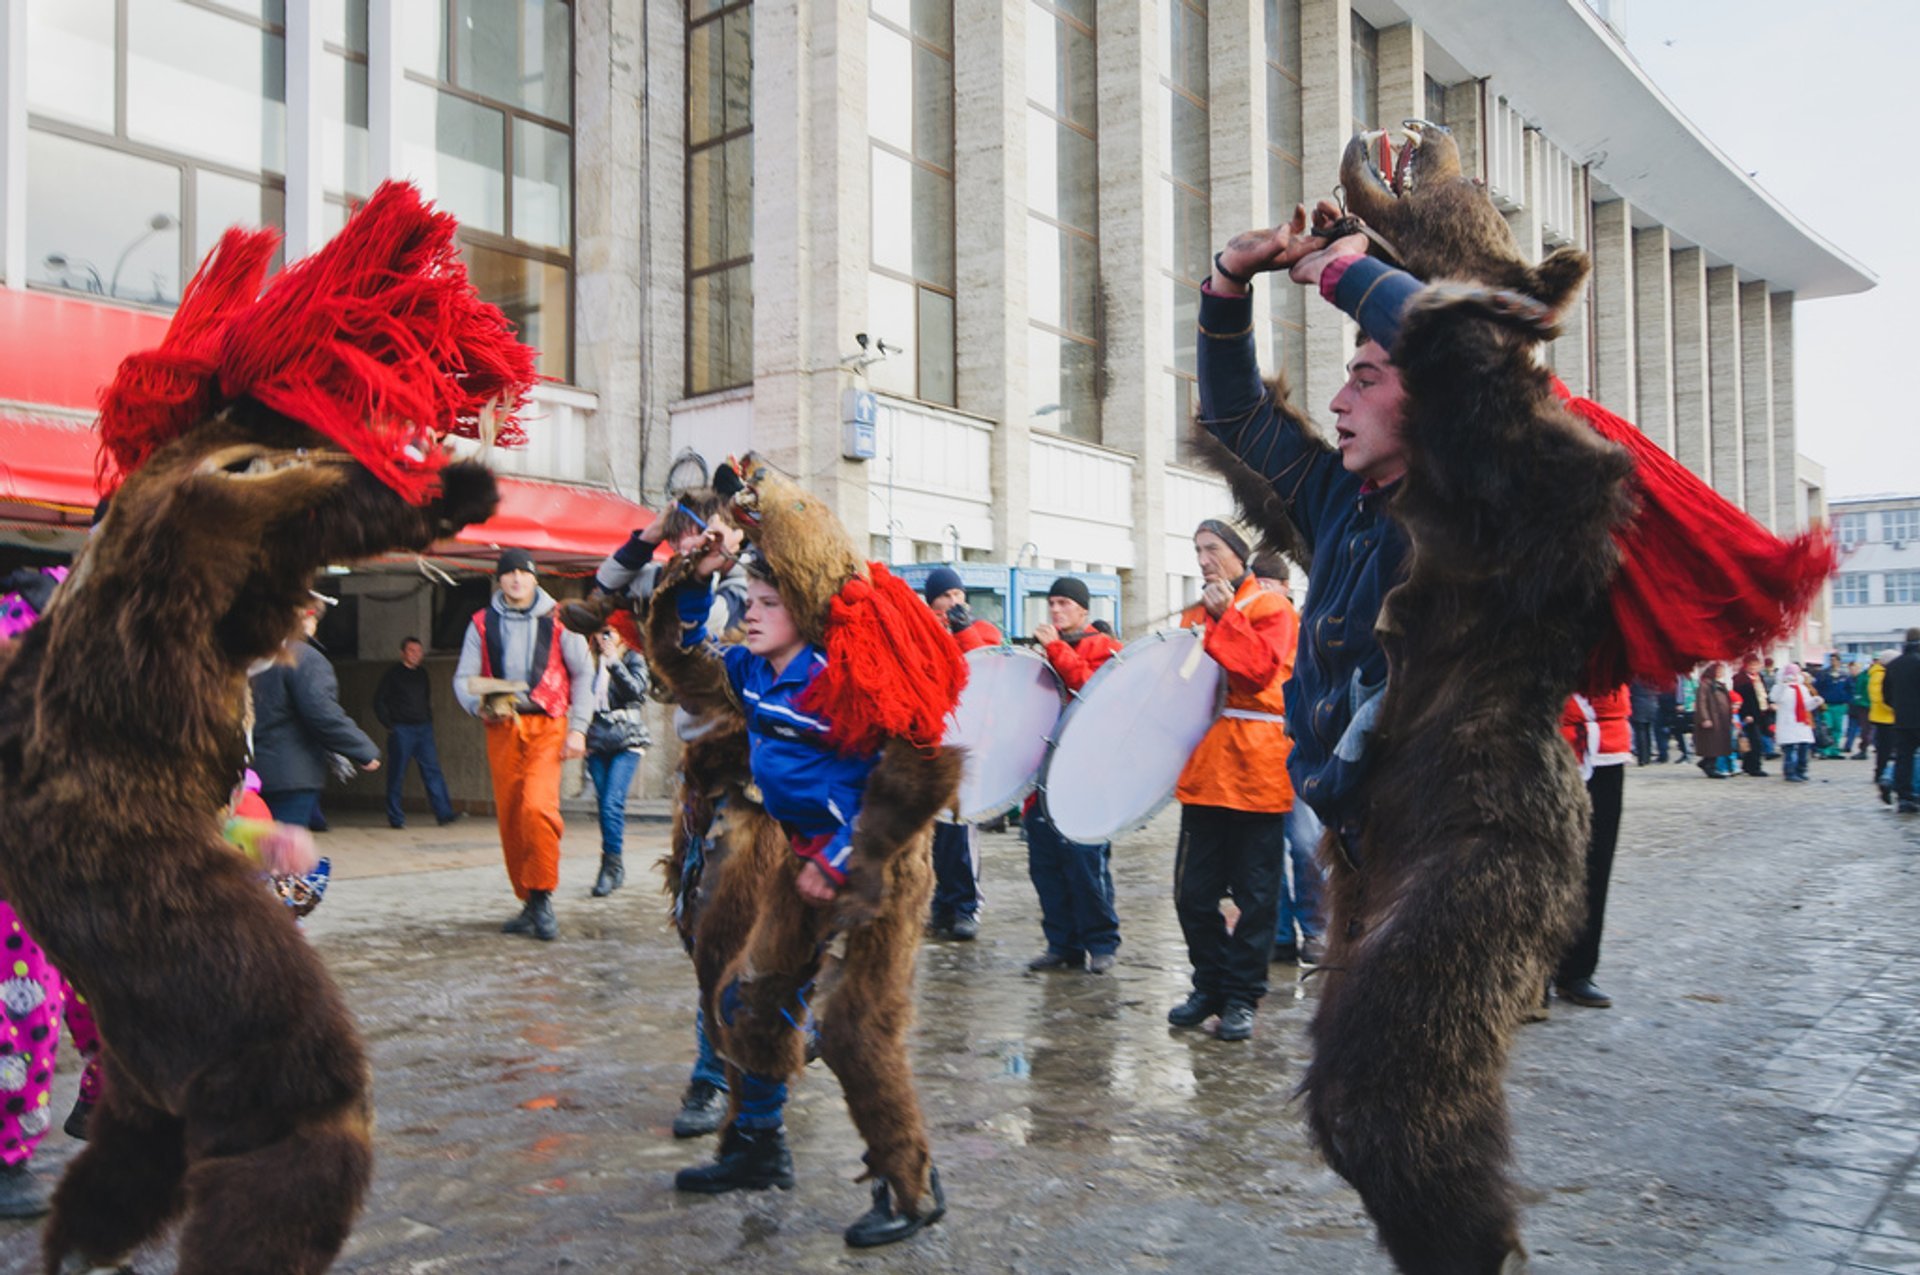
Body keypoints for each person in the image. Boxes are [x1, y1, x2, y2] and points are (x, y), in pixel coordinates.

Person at [1167, 521, 1298, 1042]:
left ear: (1238, 555)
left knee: (1256, 897)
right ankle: (1210, 985)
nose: (1203, 560)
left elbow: (1258, 671)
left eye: (1213, 549)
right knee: (1191, 895)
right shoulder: (1193, 614)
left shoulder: (1273, 609)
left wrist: (1225, 618)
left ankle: (1242, 996)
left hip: (1258, 772)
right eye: (1197, 550)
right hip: (1204, 772)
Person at [454, 549, 593, 941]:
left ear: (535, 578)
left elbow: (584, 673)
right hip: (501, 727)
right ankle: (529, 900)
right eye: (508, 573)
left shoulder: (561, 621)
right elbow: (463, 677)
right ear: (499, 580)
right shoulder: (480, 623)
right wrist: (475, 705)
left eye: (523, 572)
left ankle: (544, 896)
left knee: (537, 808)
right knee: (513, 816)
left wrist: (579, 729)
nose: (516, 579)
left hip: (548, 723)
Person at [1024, 576, 1124, 973]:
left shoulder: (1107, 649)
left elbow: (1091, 692)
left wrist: (1055, 648)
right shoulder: (1044, 653)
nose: (1055, 610)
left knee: (1086, 862)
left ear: (1083, 609)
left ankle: (1101, 942)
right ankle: (1061, 942)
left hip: (1088, 776)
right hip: (1044, 778)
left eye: (1064, 603)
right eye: (1051, 603)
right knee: (1045, 864)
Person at [1251, 553, 1325, 966]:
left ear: (1285, 588)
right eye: (1255, 583)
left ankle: (1316, 929)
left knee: (1305, 842)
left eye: (1268, 584)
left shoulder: (1304, 626)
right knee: (1265, 850)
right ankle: (1278, 932)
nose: (1260, 592)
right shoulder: (1245, 622)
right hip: (1256, 754)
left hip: (1298, 749)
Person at [250, 602, 380, 828]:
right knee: (284, 855)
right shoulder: (306, 658)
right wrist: (363, 750)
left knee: (256, 848)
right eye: (314, 618)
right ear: (304, 620)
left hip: (254, 772)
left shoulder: (253, 658)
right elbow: (322, 712)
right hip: (292, 775)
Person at [922, 566, 1000, 940]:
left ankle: (967, 905)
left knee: (961, 828)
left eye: (958, 595)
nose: (954, 602)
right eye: (946, 596)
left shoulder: (979, 629)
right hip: (934, 741)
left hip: (969, 743)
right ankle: (942, 904)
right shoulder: (924, 630)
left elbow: (986, 666)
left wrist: (962, 629)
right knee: (935, 831)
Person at [1554, 687, 1631, 1009]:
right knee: (1541, 867)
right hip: (1549, 744)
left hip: (1606, 749)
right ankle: (1530, 977)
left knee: (1596, 862)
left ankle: (1577, 971)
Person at [584, 627, 651, 896]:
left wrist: (614, 663)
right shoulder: (588, 660)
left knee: (612, 801)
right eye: (600, 633)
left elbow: (636, 692)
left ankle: (609, 869)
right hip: (597, 741)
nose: (604, 638)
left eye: (610, 632)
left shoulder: (633, 656)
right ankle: (615, 863)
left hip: (628, 740)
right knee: (604, 806)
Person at [373, 636, 460, 829]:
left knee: (432, 771)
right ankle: (396, 818)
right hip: (401, 729)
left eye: (419, 651)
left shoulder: (422, 674)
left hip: (423, 729)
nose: (416, 655)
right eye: (411, 651)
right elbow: (379, 701)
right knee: (397, 773)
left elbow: (426, 698)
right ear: (402, 653)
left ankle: (444, 814)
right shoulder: (393, 674)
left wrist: (428, 719)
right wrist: (389, 724)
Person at [1885, 628, 1920, 814]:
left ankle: (1904, 796)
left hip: (1902, 719)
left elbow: (1886, 695)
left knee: (1903, 758)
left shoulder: (1894, 665)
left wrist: (1899, 707)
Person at [1773, 664, 1819, 783]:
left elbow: (1806, 705)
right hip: (1787, 722)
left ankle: (1801, 770)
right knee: (1789, 748)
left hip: (1801, 721)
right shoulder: (1779, 687)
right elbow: (1776, 698)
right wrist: (1783, 685)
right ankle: (1789, 772)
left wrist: (1815, 701)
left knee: (1804, 747)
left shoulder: (1802, 688)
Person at [1731, 656, 1772, 778]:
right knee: (1756, 741)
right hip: (1749, 714)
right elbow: (1740, 699)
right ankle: (1755, 767)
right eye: (1751, 665)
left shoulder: (1760, 678)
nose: (1754, 668)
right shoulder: (1740, 679)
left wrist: (1769, 704)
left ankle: (1747, 765)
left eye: (1756, 665)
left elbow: (1763, 695)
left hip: (1761, 712)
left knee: (1755, 740)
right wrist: (1746, 714)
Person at [1694, 663, 1736, 778]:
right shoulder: (1705, 685)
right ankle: (1710, 767)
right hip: (1712, 719)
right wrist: (1705, 718)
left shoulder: (1719, 684)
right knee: (1712, 744)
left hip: (1721, 719)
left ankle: (1707, 763)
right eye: (1718, 671)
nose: (1721, 673)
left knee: (1717, 744)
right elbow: (1701, 702)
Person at [1869, 650, 1897, 800]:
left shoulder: (1882, 673)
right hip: (1884, 718)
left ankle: (1883, 773)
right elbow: (1879, 697)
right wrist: (1895, 709)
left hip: (1886, 717)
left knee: (1887, 749)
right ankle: (1881, 774)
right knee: (1885, 749)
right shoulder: (1879, 675)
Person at [1815, 654, 1852, 760]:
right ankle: (1825, 750)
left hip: (1840, 705)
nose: (1833, 662)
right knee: (1827, 727)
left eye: (1835, 660)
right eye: (1831, 660)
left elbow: (1849, 689)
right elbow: (1818, 688)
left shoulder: (1844, 675)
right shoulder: (1824, 674)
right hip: (1827, 704)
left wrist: (1847, 700)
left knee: (1837, 728)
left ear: (1839, 661)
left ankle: (1834, 750)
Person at [1627, 678, 1659, 766]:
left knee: (1640, 733)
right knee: (1648, 732)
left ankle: (1642, 758)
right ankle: (1647, 757)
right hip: (1652, 705)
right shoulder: (1652, 680)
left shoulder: (1634, 680)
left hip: (1638, 706)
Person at [1846, 659, 1869, 758]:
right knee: (1852, 727)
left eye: (1855, 668)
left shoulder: (1864, 677)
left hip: (1863, 706)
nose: (1853, 671)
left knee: (1865, 729)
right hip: (1853, 706)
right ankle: (1848, 745)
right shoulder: (1848, 679)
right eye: (1851, 669)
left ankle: (1865, 747)